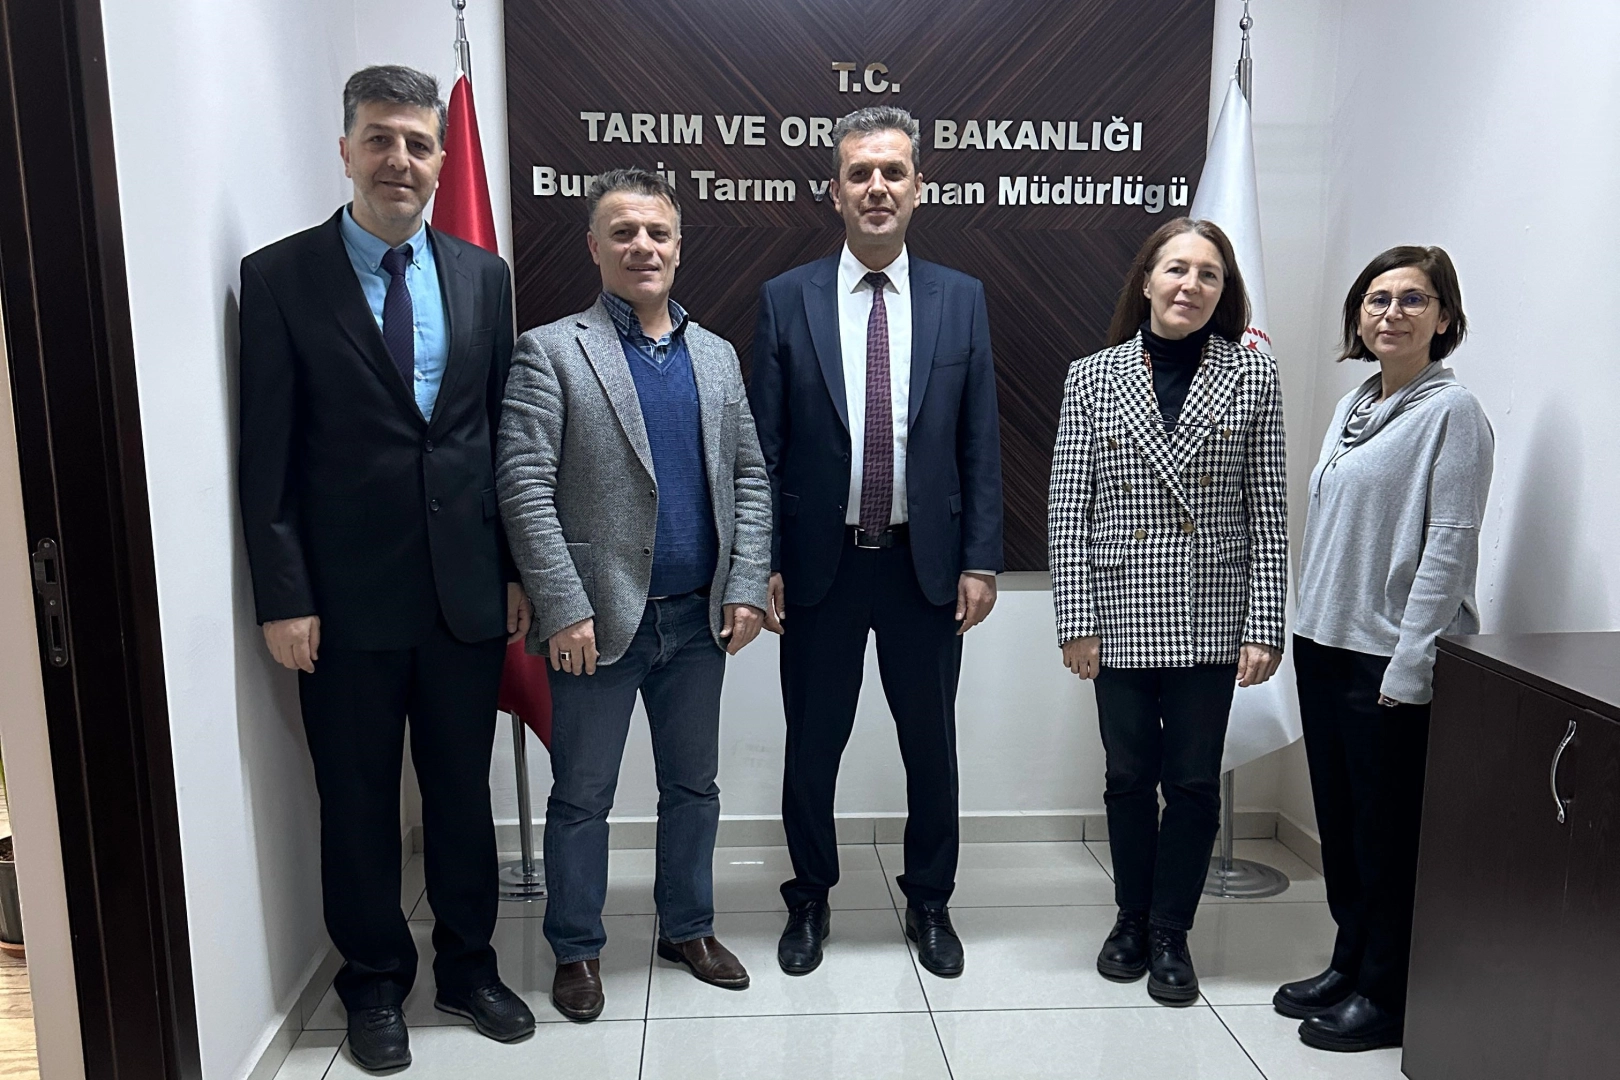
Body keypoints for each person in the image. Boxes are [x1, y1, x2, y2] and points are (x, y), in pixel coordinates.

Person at [237, 66, 534, 1070]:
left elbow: (498, 440)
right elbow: (268, 456)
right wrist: (284, 595)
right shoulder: (281, 278)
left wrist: (515, 571)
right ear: (346, 149)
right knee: (358, 802)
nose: (398, 160)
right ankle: (372, 985)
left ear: (442, 160)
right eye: (379, 139)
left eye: (417, 143)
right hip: (344, 603)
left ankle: (469, 970)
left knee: (460, 796)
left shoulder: (484, 276)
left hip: (465, 595)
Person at [497, 168, 772, 1021]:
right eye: (623, 232)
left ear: (678, 246)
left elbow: (750, 477)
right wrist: (563, 604)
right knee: (583, 796)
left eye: (657, 232)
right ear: (595, 246)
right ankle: (576, 949)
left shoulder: (717, 356)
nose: (641, 246)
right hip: (596, 622)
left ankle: (687, 928)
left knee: (695, 787)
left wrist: (746, 583)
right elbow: (522, 484)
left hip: (697, 620)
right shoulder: (552, 350)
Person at [750, 106, 1004, 980]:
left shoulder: (959, 298)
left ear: (919, 187)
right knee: (812, 745)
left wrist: (980, 558)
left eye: (893, 171)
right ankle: (810, 896)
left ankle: (930, 899)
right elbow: (763, 447)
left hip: (921, 567)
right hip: (818, 567)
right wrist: (763, 560)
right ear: (835, 191)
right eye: (859, 172)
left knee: (931, 748)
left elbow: (978, 441)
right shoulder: (786, 298)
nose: (877, 187)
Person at [1048, 217, 1288, 1006]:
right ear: (1147, 279)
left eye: (1209, 274)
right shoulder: (1092, 376)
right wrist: (1076, 619)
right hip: (1119, 607)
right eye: (1177, 269)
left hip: (1210, 607)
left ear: (1224, 291)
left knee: (1190, 781)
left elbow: (1268, 509)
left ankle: (1170, 931)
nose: (1191, 285)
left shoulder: (1253, 374)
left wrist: (1264, 623)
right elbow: (1068, 507)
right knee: (1127, 776)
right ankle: (1130, 917)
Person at [1275, 246, 1492, 1053]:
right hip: (1325, 643)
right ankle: (1349, 962)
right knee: (1342, 824)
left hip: (1387, 658)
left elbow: (1450, 544)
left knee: (1387, 834)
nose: (1391, 312)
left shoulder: (1453, 414)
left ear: (1444, 317)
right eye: (1377, 299)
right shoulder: (1355, 405)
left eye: (1412, 299)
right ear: (1358, 318)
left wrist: (1413, 661)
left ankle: (1387, 992)